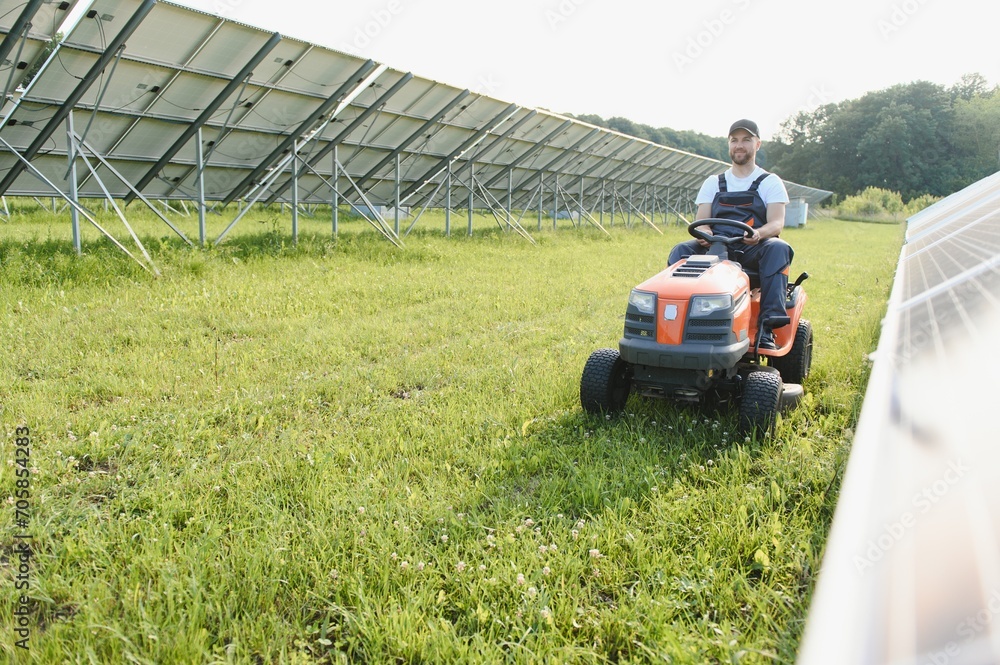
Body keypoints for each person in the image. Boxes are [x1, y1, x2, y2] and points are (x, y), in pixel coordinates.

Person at [668, 119, 793, 350]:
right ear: (729, 145)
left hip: (751, 248)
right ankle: (676, 321)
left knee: (778, 247)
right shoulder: (713, 182)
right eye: (734, 140)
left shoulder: (770, 182)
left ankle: (767, 328)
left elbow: (776, 223)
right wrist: (704, 233)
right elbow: (702, 219)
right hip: (715, 248)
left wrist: (758, 233)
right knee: (681, 250)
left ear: (757, 144)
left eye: (746, 140)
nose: (739, 145)